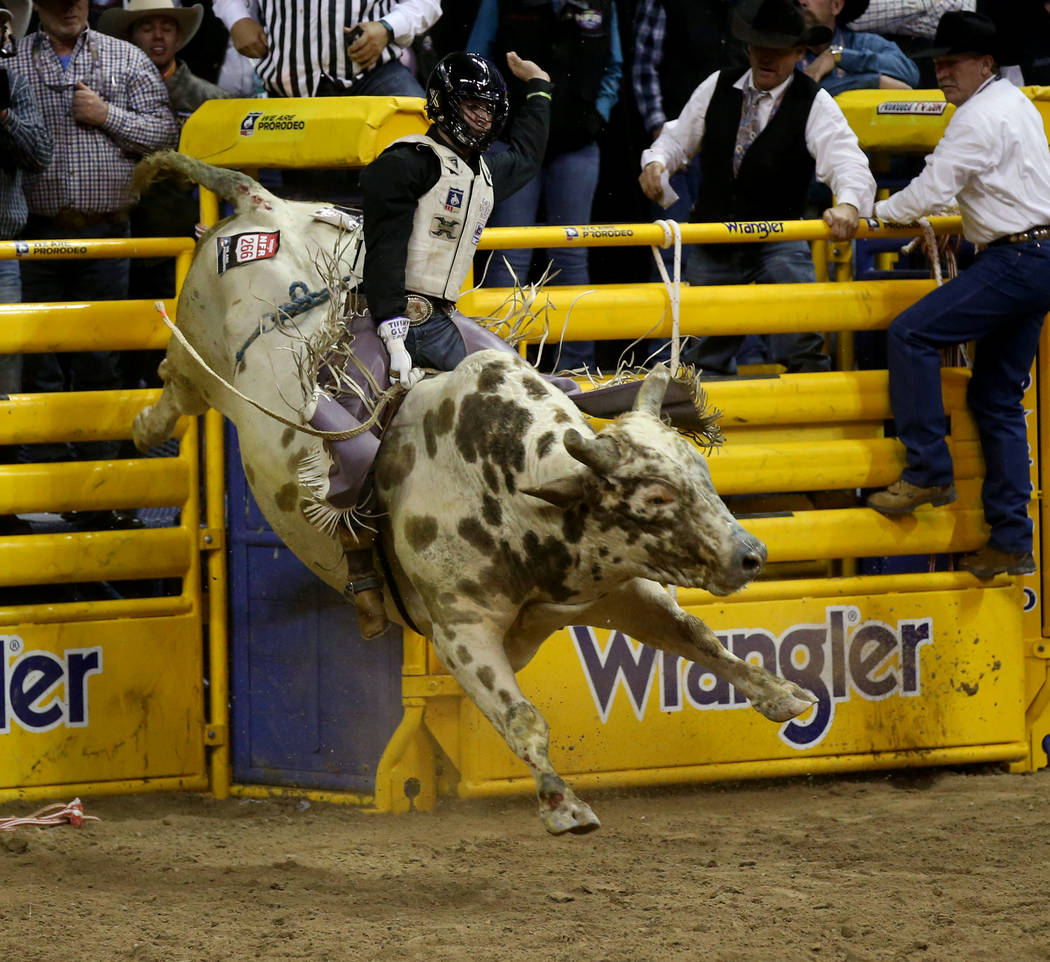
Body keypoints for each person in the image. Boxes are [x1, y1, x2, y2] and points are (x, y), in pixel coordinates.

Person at [307, 49, 551, 637]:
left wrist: (540, 89)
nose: (483, 118)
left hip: (442, 319)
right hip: (381, 313)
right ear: (444, 103)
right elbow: (386, 246)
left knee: (519, 385)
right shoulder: (408, 161)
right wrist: (391, 327)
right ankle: (361, 569)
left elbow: (527, 150)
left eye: (490, 109)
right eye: (472, 105)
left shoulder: (485, 167)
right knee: (351, 435)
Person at [864, 11, 1050, 579]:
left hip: (1014, 257)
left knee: (911, 331)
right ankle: (1012, 539)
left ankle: (926, 468)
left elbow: (932, 189)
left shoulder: (974, 118)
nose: (943, 72)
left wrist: (876, 216)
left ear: (984, 64)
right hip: (1035, 254)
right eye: (940, 62)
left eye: (954, 62)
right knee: (996, 397)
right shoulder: (1014, 102)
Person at [638, 0, 876, 377]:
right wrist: (656, 162)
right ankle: (710, 429)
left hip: (778, 235)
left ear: (799, 52)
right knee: (701, 353)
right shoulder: (717, 85)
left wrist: (848, 204)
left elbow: (848, 162)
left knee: (801, 339)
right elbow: (675, 138)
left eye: (779, 50)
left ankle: (812, 422)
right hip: (714, 236)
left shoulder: (815, 102)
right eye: (761, 47)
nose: (768, 58)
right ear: (748, 47)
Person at [14, 0, 178, 531]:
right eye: (60, 3)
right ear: (39, 6)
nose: (70, 11)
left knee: (102, 362)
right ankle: (50, 486)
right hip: (34, 235)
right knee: (38, 366)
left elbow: (164, 134)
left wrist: (105, 114)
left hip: (108, 234)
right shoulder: (13, 62)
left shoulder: (125, 59)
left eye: (78, 2)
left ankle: (101, 490)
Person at [467, 0, 622, 372]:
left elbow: (613, 68)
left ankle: (578, 367)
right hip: (515, 141)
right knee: (510, 252)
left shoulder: (601, 2)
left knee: (570, 253)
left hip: (576, 142)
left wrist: (598, 113)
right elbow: (475, 60)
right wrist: (493, 117)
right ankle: (501, 367)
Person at [0, 0, 53, 537]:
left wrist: (2, 115)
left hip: (2, 250)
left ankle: (5, 502)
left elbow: (41, 151)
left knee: (5, 387)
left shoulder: (10, 83)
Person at [214, 0, 441, 97]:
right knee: (295, 195)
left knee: (422, 153)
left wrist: (387, 28)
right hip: (289, 90)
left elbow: (427, 3)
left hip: (375, 77)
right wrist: (238, 19)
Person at [99, 0, 234, 120]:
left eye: (167, 29)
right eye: (147, 29)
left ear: (178, 39)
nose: (158, 36)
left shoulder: (214, 100)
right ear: (130, 39)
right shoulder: (111, 99)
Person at [799, 0, 919, 94]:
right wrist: (871, 81)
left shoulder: (863, 43)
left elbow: (910, 73)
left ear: (836, 5)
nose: (801, 2)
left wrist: (839, 55)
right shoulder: (785, 51)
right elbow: (795, 95)